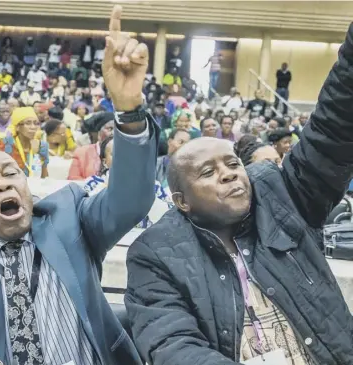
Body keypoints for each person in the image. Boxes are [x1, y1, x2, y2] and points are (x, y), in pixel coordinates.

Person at [0, 7, 156, 364]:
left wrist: (129, 110)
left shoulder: (69, 217)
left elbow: (130, 200)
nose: (1, 184)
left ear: (27, 187)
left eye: (11, 174)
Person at [126, 23, 353, 365]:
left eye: (232, 163)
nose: (229, 173)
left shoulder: (281, 197)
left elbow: (331, 129)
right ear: (181, 201)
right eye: (208, 172)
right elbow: (171, 345)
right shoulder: (155, 253)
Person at [0, 107, 49, 178]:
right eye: (28, 123)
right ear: (17, 127)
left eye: (36, 123)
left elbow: (44, 176)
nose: (33, 127)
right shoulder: (5, 144)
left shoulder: (42, 146)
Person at [68, 112, 115, 180]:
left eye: (118, 130)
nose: (114, 133)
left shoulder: (127, 152)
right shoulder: (82, 153)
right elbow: (73, 179)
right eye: (110, 129)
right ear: (98, 132)